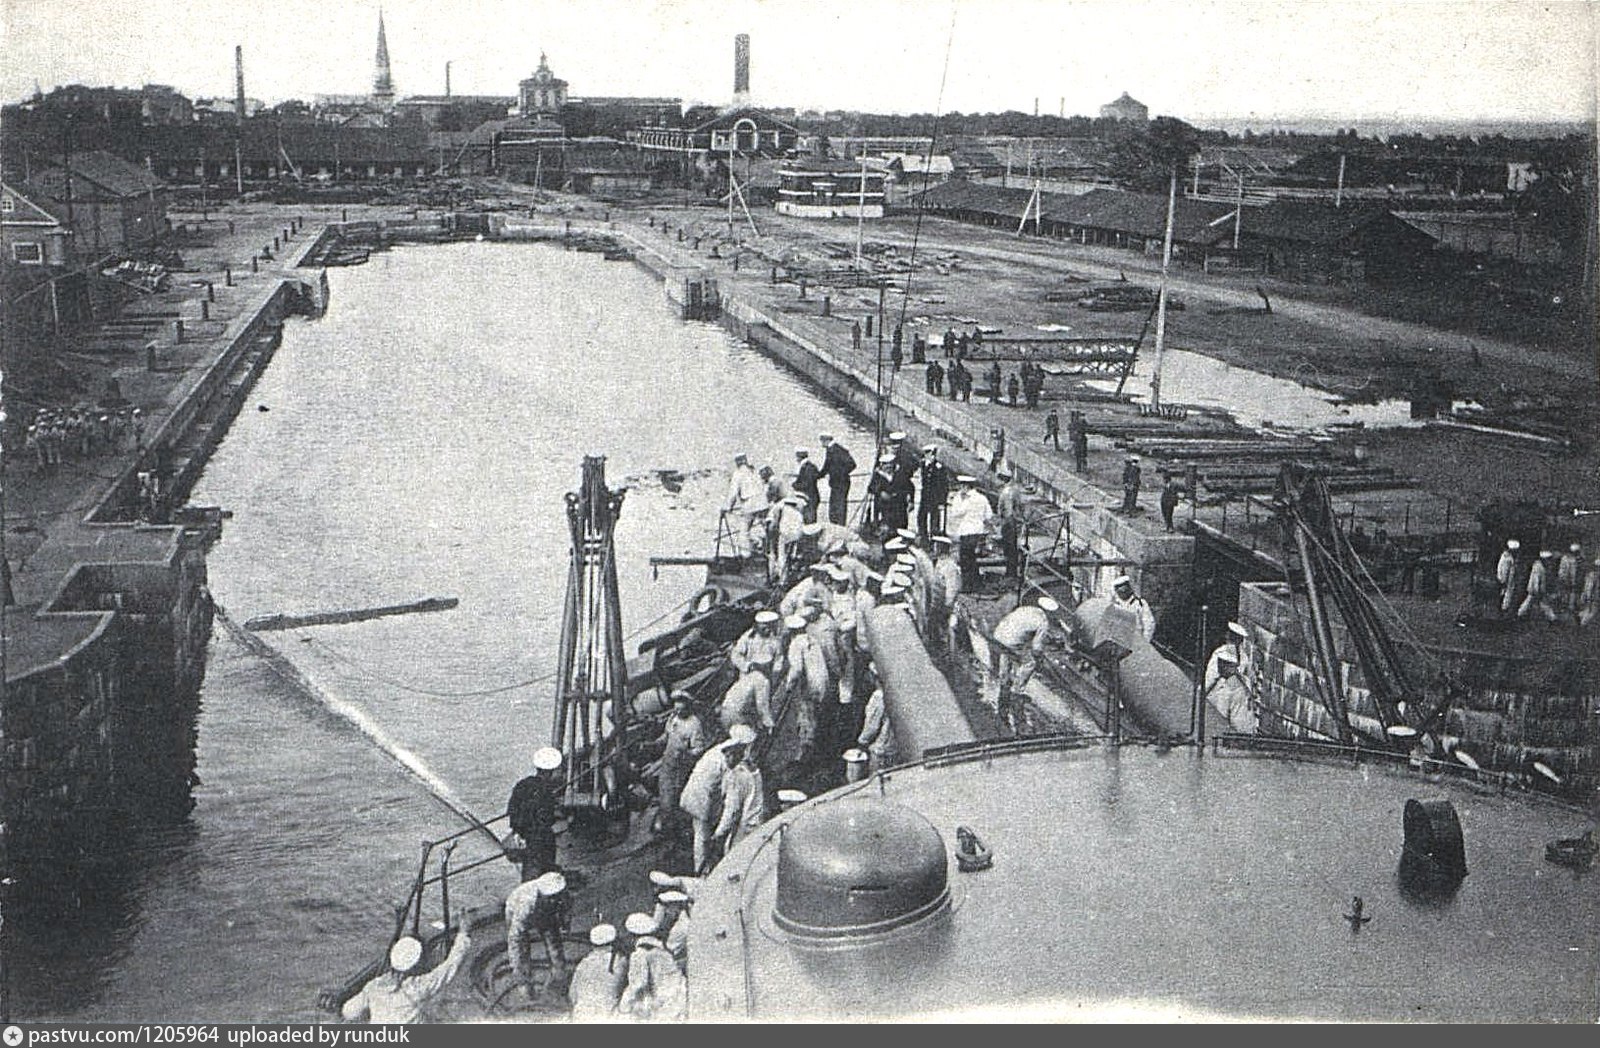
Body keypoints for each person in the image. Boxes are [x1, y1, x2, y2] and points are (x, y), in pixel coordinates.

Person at [341, 926, 473, 1024]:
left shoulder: (374, 986)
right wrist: (463, 934)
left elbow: (348, 1011)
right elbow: (450, 966)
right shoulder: (417, 987)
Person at [680, 725, 756, 872]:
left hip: (698, 795)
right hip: (700, 798)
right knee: (703, 837)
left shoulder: (719, 750)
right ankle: (701, 871)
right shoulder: (728, 760)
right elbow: (730, 802)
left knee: (702, 834)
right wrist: (720, 831)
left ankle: (704, 866)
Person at [990, 595, 1062, 735]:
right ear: (1049, 613)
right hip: (1013, 643)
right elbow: (1036, 648)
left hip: (998, 635)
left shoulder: (1025, 609)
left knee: (1007, 653)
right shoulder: (1043, 622)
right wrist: (1040, 659)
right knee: (1029, 663)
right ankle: (1017, 690)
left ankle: (1004, 681)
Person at [505, 870, 571, 998]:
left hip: (543, 911)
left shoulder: (561, 893)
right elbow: (515, 940)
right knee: (522, 947)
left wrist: (565, 925)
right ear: (542, 894)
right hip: (515, 908)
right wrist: (519, 975)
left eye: (556, 897)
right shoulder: (526, 904)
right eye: (550, 898)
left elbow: (566, 910)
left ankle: (558, 975)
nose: (554, 900)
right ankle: (525, 983)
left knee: (554, 942)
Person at [507, 746, 565, 881]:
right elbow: (547, 817)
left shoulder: (522, 784)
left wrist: (517, 831)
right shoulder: (546, 790)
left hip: (524, 835)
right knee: (545, 868)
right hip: (542, 836)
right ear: (550, 772)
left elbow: (512, 809)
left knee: (530, 868)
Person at [618, 913, 686, 1022]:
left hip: (663, 1005)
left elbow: (638, 983)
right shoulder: (662, 949)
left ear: (633, 936)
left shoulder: (640, 953)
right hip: (679, 999)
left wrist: (623, 1006)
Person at [656, 693, 707, 832]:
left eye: (681, 710)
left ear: (688, 708)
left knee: (677, 796)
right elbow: (667, 736)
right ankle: (666, 822)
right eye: (676, 709)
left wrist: (686, 753)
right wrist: (656, 743)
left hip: (681, 766)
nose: (677, 712)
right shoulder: (673, 718)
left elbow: (699, 749)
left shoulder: (694, 724)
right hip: (668, 762)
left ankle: (677, 828)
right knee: (664, 792)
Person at [783, 612, 828, 762]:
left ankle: (806, 752)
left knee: (806, 716)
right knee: (816, 714)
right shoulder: (812, 639)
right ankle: (816, 744)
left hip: (811, 685)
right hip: (822, 680)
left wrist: (789, 685)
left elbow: (796, 669)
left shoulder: (796, 644)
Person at [568, 924, 629, 1020]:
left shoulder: (583, 963)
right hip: (608, 1015)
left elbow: (572, 995)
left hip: (581, 1015)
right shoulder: (620, 962)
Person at [1202, 622, 1255, 732]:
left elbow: (1211, 676)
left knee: (1219, 720)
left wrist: (1202, 693)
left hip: (1223, 691)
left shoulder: (1222, 653)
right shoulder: (1243, 656)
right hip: (1235, 691)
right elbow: (1248, 677)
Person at [714, 747, 767, 854]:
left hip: (744, 826)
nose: (726, 760)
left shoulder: (738, 774)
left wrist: (719, 832)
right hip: (755, 822)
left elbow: (732, 808)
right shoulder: (754, 770)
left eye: (728, 756)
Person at [946, 474, 994, 591]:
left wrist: (958, 500)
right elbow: (989, 515)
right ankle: (976, 583)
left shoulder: (966, 499)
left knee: (965, 559)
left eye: (961, 486)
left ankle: (968, 585)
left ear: (966, 487)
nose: (960, 489)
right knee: (972, 557)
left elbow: (955, 513)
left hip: (967, 532)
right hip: (978, 532)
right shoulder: (982, 498)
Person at [725, 452, 766, 557]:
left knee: (744, 531)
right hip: (762, 503)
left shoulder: (738, 473)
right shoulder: (754, 471)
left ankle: (746, 555)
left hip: (749, 504)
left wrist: (728, 507)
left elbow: (733, 493)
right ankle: (767, 550)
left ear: (738, 462)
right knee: (764, 528)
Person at [857, 685, 895, 774]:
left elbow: (872, 727)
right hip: (894, 748)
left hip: (881, 750)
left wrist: (861, 742)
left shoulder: (878, 696)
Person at [820, 434, 857, 526]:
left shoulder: (838, 450)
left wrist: (839, 474)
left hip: (841, 483)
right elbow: (826, 467)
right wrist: (817, 475)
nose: (821, 444)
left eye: (822, 441)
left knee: (840, 505)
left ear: (826, 441)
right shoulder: (830, 450)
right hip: (835, 483)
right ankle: (835, 524)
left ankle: (840, 526)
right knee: (834, 506)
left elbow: (852, 464)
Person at [995, 466, 1024, 579]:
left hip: (1009, 523)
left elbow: (1008, 510)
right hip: (1013, 522)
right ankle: (1011, 571)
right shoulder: (1014, 489)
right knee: (1011, 547)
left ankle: (1011, 572)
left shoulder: (1007, 492)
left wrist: (1004, 523)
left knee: (1009, 547)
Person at [917, 444, 950, 539]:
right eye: (926, 453)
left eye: (929, 453)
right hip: (925, 496)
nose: (927, 456)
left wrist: (942, 501)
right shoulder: (924, 464)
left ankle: (934, 537)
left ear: (933, 454)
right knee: (921, 516)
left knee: (934, 518)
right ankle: (922, 536)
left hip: (935, 498)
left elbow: (944, 486)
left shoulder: (939, 467)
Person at [1109, 575, 1157, 641]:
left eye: (1125, 590)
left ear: (1129, 589)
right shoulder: (1115, 605)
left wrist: (1144, 641)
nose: (1123, 593)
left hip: (1136, 640)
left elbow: (1149, 624)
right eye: (1120, 591)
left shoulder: (1140, 603)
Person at [1518, 550, 1558, 621]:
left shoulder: (1541, 566)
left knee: (1534, 602)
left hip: (1537, 589)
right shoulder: (1538, 567)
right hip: (1535, 589)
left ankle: (1520, 613)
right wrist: (1537, 590)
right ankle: (1520, 613)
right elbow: (1536, 579)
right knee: (1533, 602)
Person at [793, 448, 822, 524]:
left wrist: (795, 485)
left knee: (810, 522)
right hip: (810, 497)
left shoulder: (808, 468)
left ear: (800, 457)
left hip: (810, 498)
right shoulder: (809, 466)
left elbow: (807, 484)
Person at [1556, 543, 1583, 620]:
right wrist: (1563, 579)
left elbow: (1581, 572)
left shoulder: (1580, 560)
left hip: (1575, 584)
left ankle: (1572, 614)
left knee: (1573, 599)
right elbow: (1562, 571)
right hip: (1566, 582)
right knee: (1565, 598)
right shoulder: (1565, 559)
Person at [1496, 539, 1522, 614]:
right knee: (1507, 593)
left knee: (1505, 593)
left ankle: (1503, 607)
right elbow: (1505, 570)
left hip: (1508, 578)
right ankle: (1504, 609)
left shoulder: (1505, 556)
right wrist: (1503, 580)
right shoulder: (1507, 559)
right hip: (1507, 579)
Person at [1579, 557, 1600, 627]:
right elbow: (1588, 588)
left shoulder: (1592, 576)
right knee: (1591, 613)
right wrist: (1586, 597)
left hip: (1594, 599)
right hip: (1593, 599)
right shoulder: (1592, 576)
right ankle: (1583, 623)